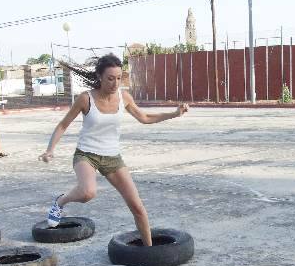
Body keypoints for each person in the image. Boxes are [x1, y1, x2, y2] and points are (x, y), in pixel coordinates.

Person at [38, 54, 188, 245]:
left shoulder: (124, 97)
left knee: (138, 207)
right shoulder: (86, 99)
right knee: (87, 192)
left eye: (118, 78)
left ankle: (149, 251)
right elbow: (63, 125)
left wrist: (174, 114)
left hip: (112, 157)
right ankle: (61, 201)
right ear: (99, 77)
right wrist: (50, 149)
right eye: (110, 78)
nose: (115, 83)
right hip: (87, 154)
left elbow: (145, 117)